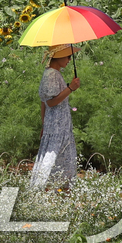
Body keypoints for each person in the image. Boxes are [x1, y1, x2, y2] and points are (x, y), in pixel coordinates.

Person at [29, 44, 81, 190]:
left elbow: (43, 102)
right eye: (68, 56)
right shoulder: (52, 74)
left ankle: (58, 189)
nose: (69, 60)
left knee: (59, 156)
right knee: (52, 156)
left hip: (57, 123)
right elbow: (51, 102)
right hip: (57, 124)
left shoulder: (52, 73)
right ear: (58, 56)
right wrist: (70, 88)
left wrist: (44, 123)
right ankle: (42, 187)